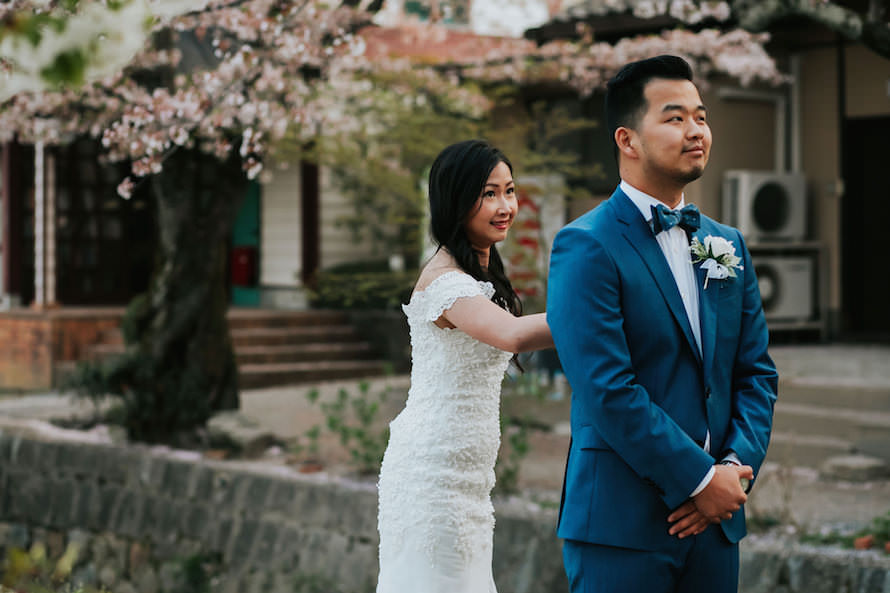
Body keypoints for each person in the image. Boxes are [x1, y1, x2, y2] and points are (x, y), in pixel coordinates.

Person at [546, 55, 778, 593]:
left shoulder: (726, 243)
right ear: (627, 140)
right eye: (675, 118)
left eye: (701, 116)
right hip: (622, 526)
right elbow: (607, 388)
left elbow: (756, 373)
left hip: (716, 525)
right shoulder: (585, 244)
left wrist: (730, 474)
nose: (696, 131)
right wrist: (697, 480)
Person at [375, 139, 553, 593]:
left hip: (471, 480)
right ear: (455, 201)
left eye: (509, 191)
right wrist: (603, 313)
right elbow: (512, 336)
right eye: (488, 193)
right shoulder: (445, 283)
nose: (504, 206)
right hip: (431, 476)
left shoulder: (480, 274)